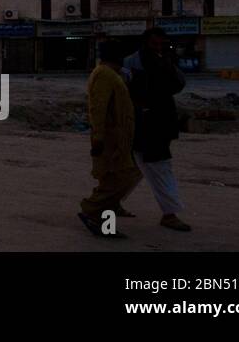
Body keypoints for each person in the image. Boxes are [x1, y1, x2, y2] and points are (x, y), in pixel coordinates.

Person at [123, 27, 190, 231]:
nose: (158, 48)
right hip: (146, 124)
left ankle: (107, 202)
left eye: (161, 44)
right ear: (145, 43)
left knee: (135, 168)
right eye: (155, 44)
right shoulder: (132, 63)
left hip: (160, 122)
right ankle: (169, 214)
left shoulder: (165, 61)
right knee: (160, 168)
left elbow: (179, 83)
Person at [79, 40, 140, 238]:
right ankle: (91, 210)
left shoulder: (112, 74)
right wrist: (98, 138)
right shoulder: (104, 75)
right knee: (124, 177)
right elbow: (98, 108)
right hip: (110, 139)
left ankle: (107, 218)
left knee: (114, 178)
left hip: (118, 137)